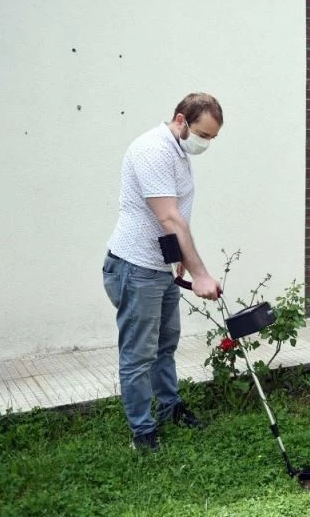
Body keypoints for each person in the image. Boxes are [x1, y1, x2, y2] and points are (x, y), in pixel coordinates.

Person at [103, 93, 224, 451]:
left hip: (162, 267)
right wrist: (201, 275)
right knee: (138, 354)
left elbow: (177, 219)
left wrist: (181, 260)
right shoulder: (153, 150)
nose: (207, 143)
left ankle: (170, 407)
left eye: (213, 138)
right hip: (135, 267)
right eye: (204, 134)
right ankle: (143, 432)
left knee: (165, 345)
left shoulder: (179, 151)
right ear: (181, 120)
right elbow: (168, 216)